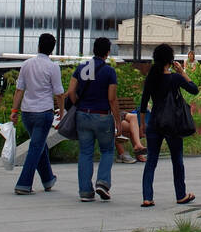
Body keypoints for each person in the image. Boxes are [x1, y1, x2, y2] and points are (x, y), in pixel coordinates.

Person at [139, 44, 199, 207]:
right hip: (172, 123)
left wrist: (142, 124)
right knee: (177, 160)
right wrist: (182, 72)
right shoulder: (175, 78)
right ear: (170, 60)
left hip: (155, 122)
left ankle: (147, 197)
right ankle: (181, 195)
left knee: (151, 160)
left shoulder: (152, 77)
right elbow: (194, 90)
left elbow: (144, 102)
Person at [66, 37, 121, 201]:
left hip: (83, 114)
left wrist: (78, 104)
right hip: (102, 115)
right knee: (107, 150)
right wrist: (117, 120)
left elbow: (70, 92)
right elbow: (112, 98)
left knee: (85, 153)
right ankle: (102, 182)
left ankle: (85, 192)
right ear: (107, 52)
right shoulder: (109, 71)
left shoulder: (82, 67)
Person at [10, 32, 65, 195]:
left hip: (27, 112)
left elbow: (19, 89)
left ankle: (48, 179)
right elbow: (59, 93)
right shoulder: (53, 67)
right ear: (52, 50)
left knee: (39, 145)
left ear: (39, 46)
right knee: (36, 147)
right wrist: (61, 113)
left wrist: (14, 110)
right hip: (44, 112)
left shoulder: (26, 64)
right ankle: (23, 184)